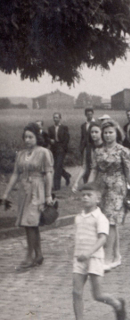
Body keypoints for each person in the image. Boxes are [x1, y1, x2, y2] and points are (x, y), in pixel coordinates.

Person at [87, 120, 130, 270]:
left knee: (111, 221)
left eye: (111, 132)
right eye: (106, 133)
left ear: (117, 133)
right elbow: (94, 170)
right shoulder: (98, 151)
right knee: (106, 222)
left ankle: (107, 258)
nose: (108, 135)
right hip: (102, 188)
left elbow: (129, 173)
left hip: (117, 188)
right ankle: (116, 255)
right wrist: (89, 188)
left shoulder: (123, 151)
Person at [1, 123, 54, 268]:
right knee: (29, 224)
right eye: (25, 137)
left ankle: (29, 257)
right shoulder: (21, 154)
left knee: (30, 222)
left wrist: (48, 195)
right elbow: (15, 174)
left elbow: (49, 174)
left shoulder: (44, 152)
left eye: (31, 137)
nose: (27, 140)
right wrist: (6, 193)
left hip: (37, 190)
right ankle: (39, 255)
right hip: (24, 191)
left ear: (37, 137)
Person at [72, 183, 126, 320]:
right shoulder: (79, 217)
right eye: (83, 195)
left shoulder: (100, 218)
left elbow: (103, 239)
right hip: (79, 258)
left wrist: (89, 253)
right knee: (76, 292)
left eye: (89, 195)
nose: (85, 198)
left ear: (98, 199)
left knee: (98, 295)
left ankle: (117, 304)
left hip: (94, 258)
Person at [73, 122, 103, 187]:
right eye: (92, 132)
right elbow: (84, 167)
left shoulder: (106, 147)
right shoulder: (88, 148)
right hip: (89, 175)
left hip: (102, 178)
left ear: (101, 132)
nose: (93, 134)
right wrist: (76, 182)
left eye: (96, 132)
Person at [48, 112, 71, 190]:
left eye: (57, 117)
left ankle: (56, 186)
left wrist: (63, 148)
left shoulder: (64, 127)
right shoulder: (50, 128)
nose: (55, 119)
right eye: (54, 117)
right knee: (56, 166)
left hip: (61, 149)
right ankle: (66, 175)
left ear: (60, 118)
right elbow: (48, 138)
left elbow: (67, 139)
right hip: (53, 149)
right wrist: (50, 140)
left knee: (58, 167)